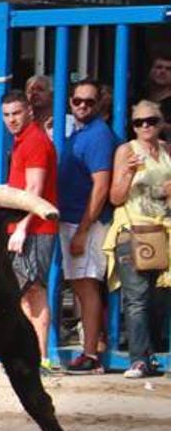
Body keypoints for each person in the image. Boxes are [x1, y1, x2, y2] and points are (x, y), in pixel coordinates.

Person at [107, 100, 171, 380]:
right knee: (137, 298)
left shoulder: (168, 151)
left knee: (161, 298)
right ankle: (138, 360)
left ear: (161, 123)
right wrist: (129, 172)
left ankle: (155, 354)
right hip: (133, 229)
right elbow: (115, 197)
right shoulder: (126, 151)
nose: (145, 126)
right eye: (139, 122)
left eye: (151, 121)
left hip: (163, 231)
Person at [57, 79, 117, 374]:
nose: (82, 106)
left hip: (86, 222)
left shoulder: (98, 136)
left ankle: (91, 354)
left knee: (87, 285)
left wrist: (82, 230)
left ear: (99, 104)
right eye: (77, 100)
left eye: (89, 102)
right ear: (70, 102)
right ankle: (91, 348)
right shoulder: (79, 133)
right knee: (82, 286)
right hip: (73, 218)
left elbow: (101, 185)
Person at [1, 89, 60, 373]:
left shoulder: (35, 141)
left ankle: (40, 357)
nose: (11, 120)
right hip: (27, 226)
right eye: (6, 115)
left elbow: (35, 190)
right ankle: (33, 356)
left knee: (33, 290)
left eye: (16, 113)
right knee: (26, 292)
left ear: (29, 112)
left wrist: (21, 228)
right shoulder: (24, 140)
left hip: (35, 228)